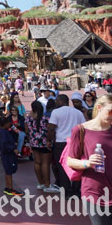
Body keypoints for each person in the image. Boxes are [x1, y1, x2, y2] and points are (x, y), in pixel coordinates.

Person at [66, 94, 112, 225]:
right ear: (99, 107)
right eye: (110, 111)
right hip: (95, 192)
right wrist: (87, 163)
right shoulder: (81, 130)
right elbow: (70, 161)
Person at [48, 93, 86, 196]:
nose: (55, 102)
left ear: (61, 101)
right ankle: (76, 190)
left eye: (57, 100)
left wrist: (49, 140)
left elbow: (51, 128)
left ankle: (67, 191)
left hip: (61, 142)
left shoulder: (56, 112)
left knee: (62, 167)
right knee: (77, 166)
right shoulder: (78, 113)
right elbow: (83, 128)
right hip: (75, 142)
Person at [26, 100, 54, 193]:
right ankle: (47, 185)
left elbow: (27, 131)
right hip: (45, 143)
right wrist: (50, 140)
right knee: (45, 163)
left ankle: (40, 183)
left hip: (34, 142)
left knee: (37, 163)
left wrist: (30, 140)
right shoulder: (46, 118)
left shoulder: (28, 119)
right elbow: (50, 130)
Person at [0, 115, 24, 196]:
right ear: (5, 124)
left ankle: (8, 187)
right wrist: (13, 149)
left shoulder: (4, 131)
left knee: (8, 171)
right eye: (9, 123)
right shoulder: (4, 133)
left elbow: (16, 135)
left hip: (6, 154)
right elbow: (4, 144)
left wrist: (13, 128)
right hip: (8, 154)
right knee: (9, 171)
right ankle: (10, 188)